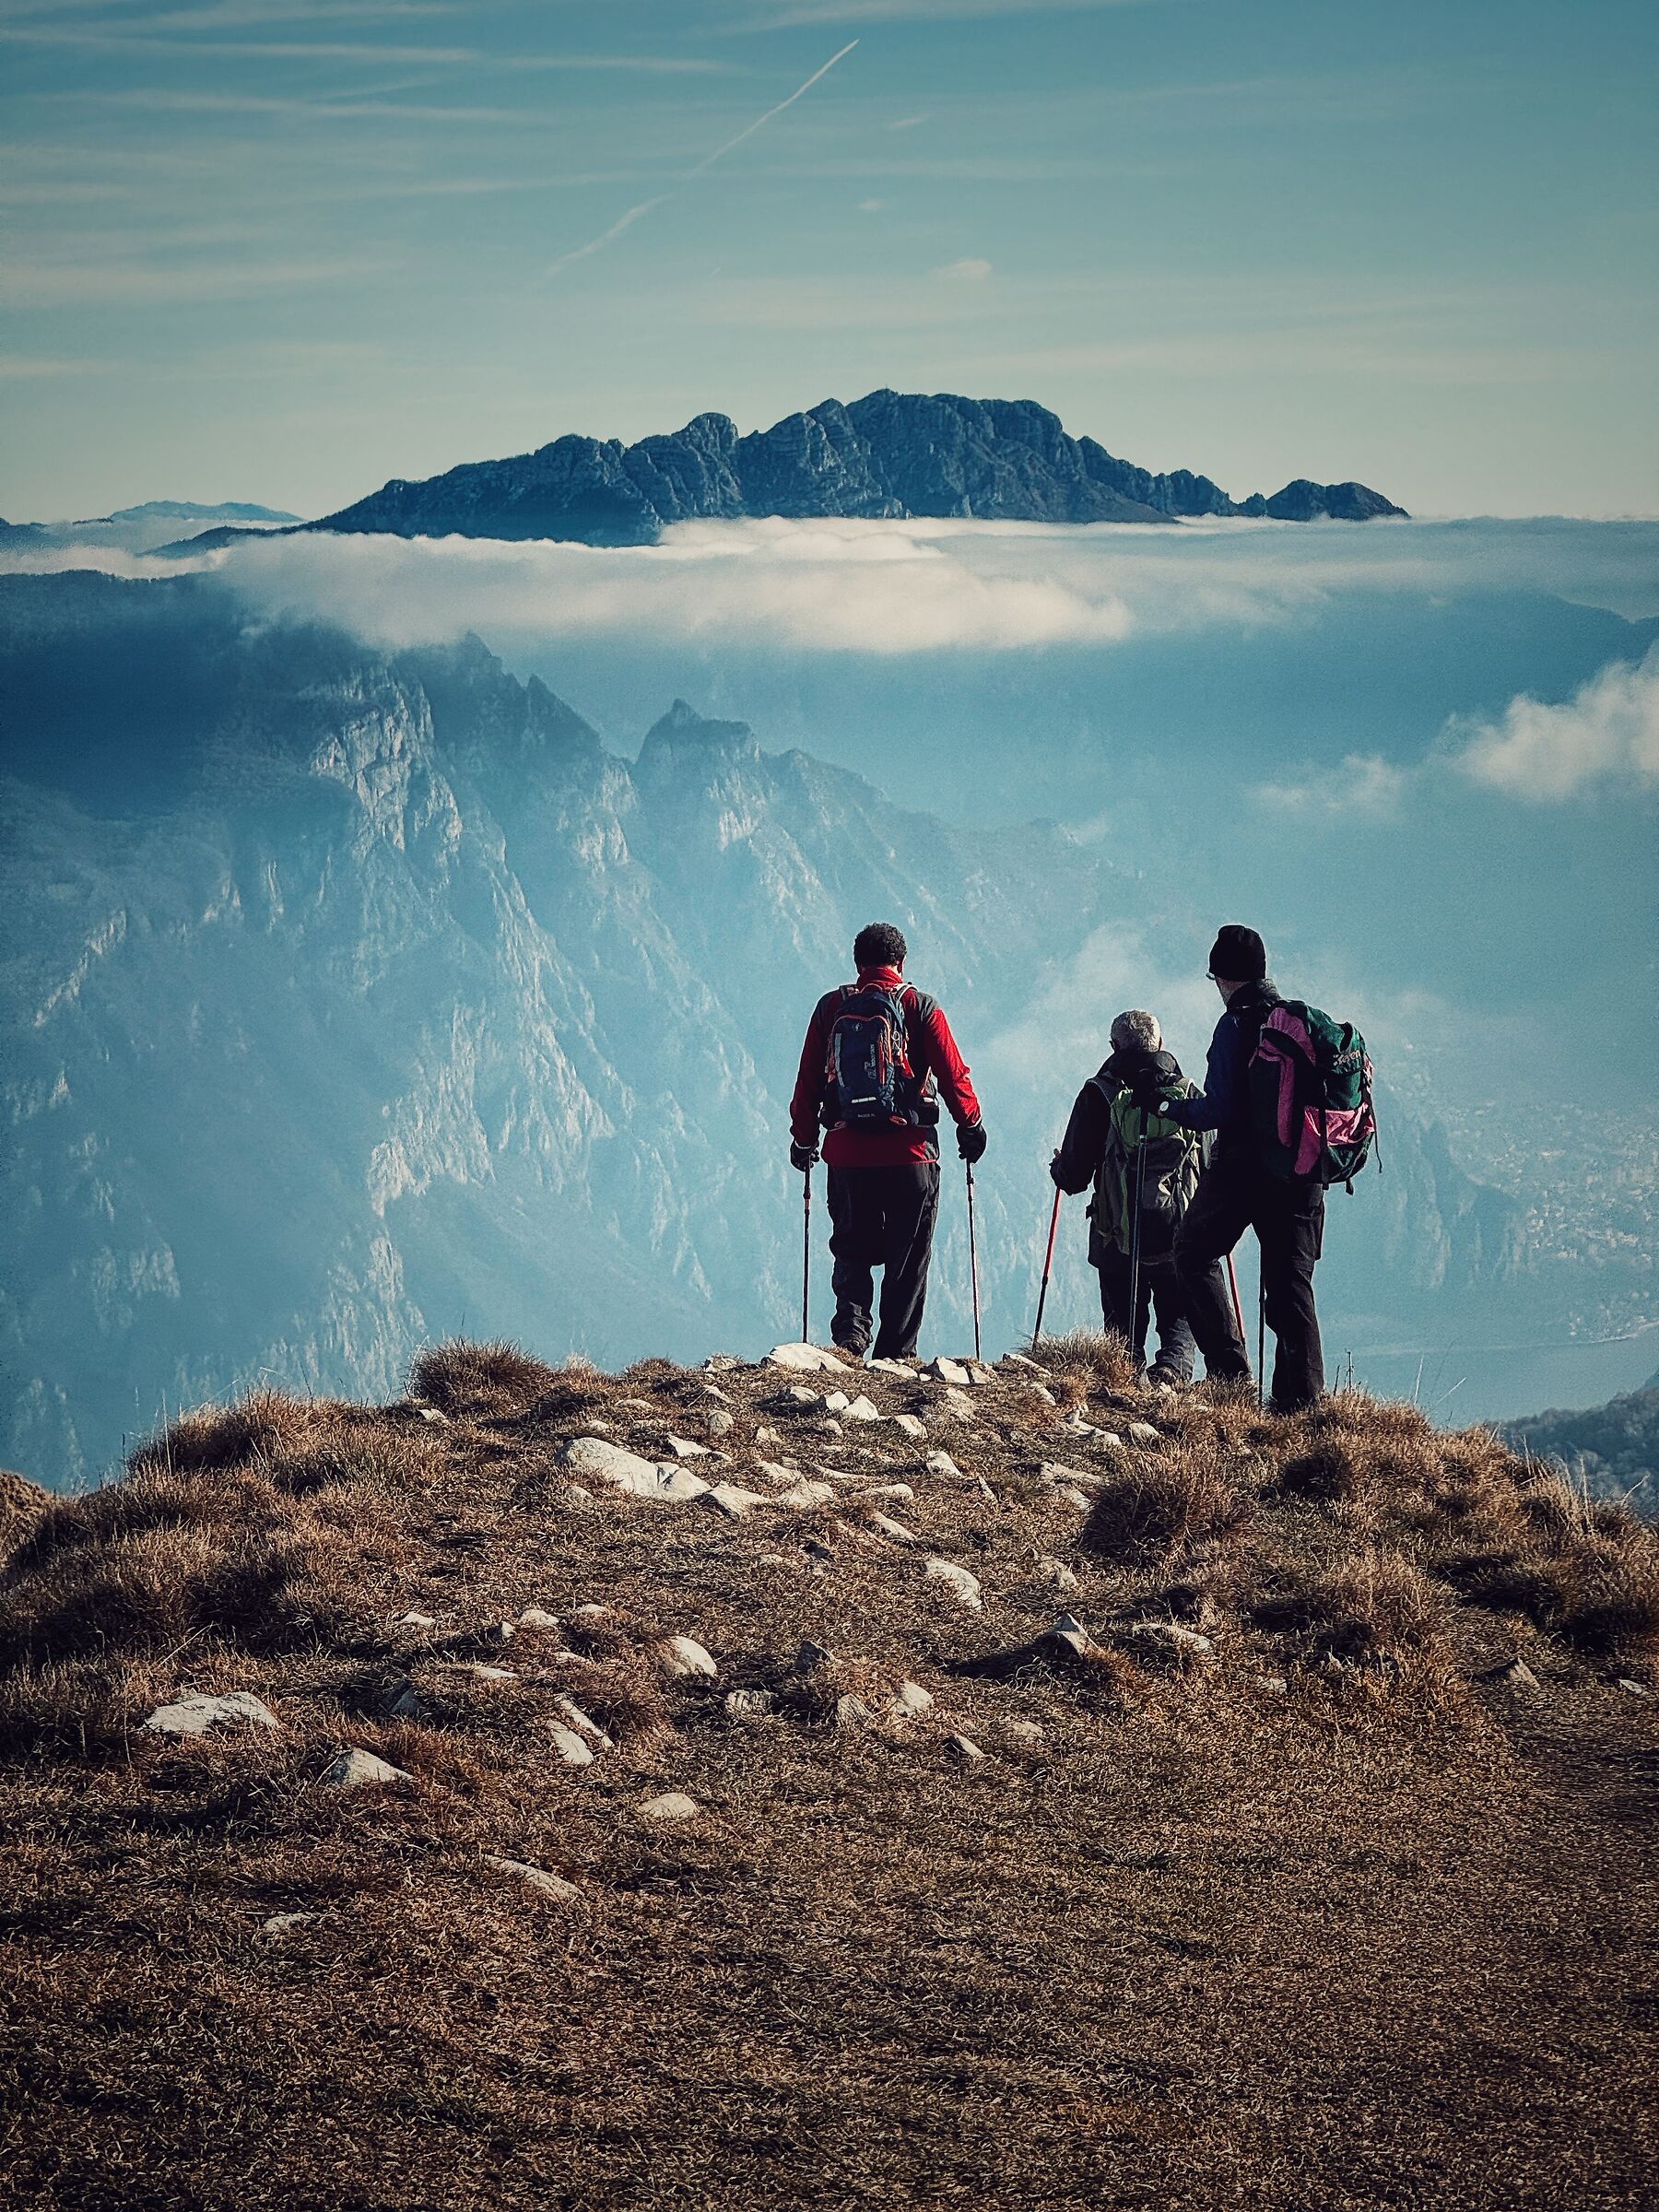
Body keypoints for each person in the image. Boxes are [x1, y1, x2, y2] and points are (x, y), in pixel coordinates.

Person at [789, 922, 985, 1361]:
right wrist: (970, 1125)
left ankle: (850, 1339)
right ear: (902, 962)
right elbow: (954, 1076)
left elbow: (806, 1084)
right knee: (909, 1257)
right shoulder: (920, 1007)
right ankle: (896, 1355)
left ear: (857, 964)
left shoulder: (830, 1009)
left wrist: (804, 1140)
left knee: (851, 1247)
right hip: (910, 1154)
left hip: (846, 1154)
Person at [1152, 924, 1325, 1413]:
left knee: (1191, 1252)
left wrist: (1173, 1109)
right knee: (1291, 1287)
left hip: (1245, 1172)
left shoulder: (1235, 1026)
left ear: (1225, 978)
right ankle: (1303, 1407)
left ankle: (1231, 1377)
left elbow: (1219, 1110)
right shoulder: (1297, 1023)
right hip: (1303, 1171)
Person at [1050, 1009, 1215, 1387]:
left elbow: (1074, 1178)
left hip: (1116, 1237)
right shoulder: (1189, 1095)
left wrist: (1058, 1169)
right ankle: (1171, 1376)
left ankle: (1124, 1385)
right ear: (1160, 1042)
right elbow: (1211, 1164)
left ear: (1113, 1046)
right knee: (1178, 1317)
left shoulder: (1099, 1093)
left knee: (1122, 1328)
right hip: (1179, 1231)